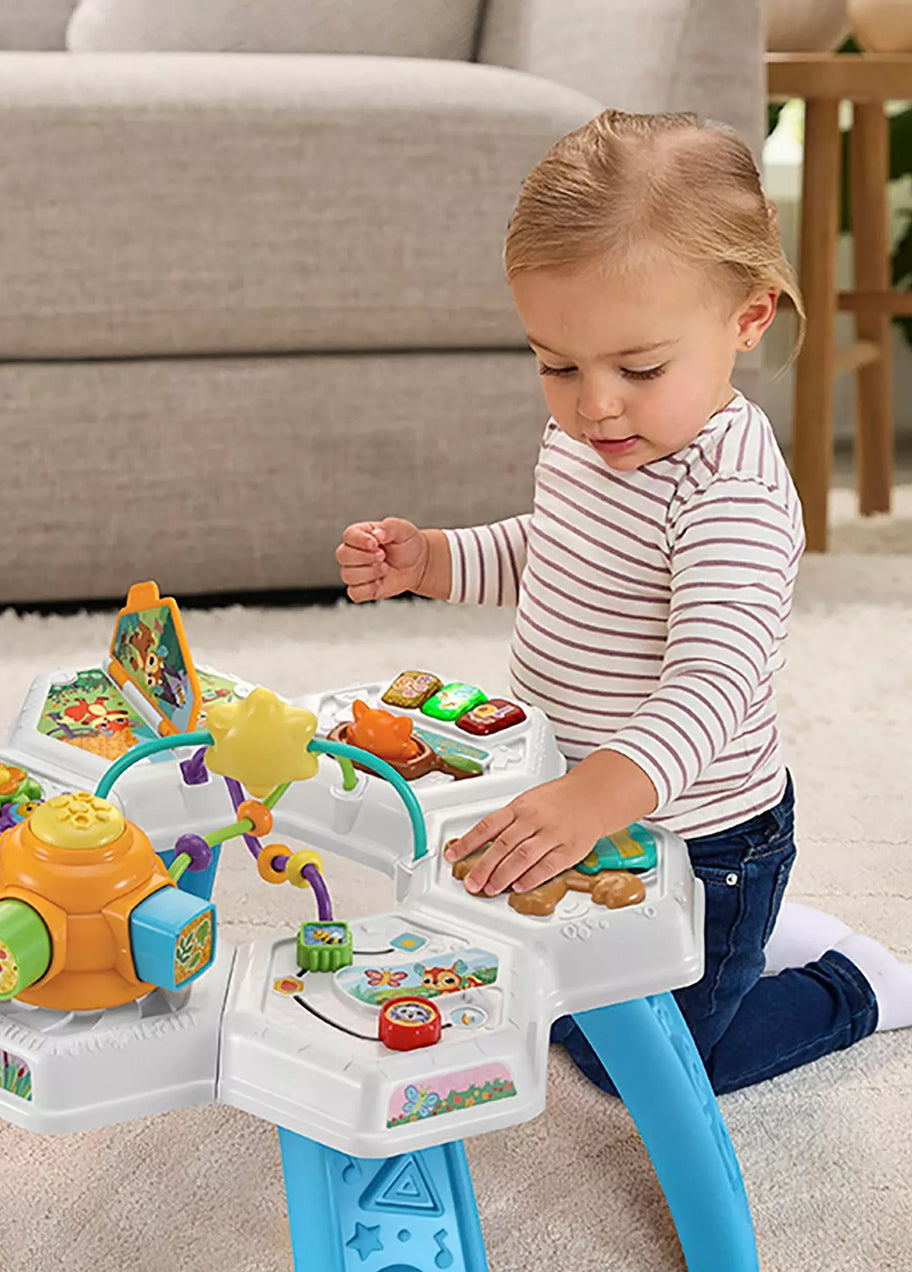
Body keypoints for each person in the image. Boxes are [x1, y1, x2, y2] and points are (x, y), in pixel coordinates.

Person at [335, 108, 911, 1096]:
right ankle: (756, 946)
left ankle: (853, 984)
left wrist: (596, 793)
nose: (593, 402)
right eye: (555, 363)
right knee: (539, 988)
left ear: (748, 318)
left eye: (638, 368)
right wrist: (432, 559)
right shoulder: (595, 441)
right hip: (582, 800)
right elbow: (551, 551)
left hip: (705, 840)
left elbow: (714, 683)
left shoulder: (729, 494)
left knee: (640, 1066)